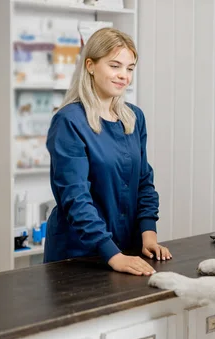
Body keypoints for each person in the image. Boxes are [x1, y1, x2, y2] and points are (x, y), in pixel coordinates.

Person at [43, 28, 171, 276]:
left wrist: (149, 235)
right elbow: (75, 198)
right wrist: (112, 254)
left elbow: (143, 181)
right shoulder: (69, 121)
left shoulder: (133, 118)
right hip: (79, 255)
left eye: (130, 68)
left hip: (127, 250)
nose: (124, 75)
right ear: (90, 65)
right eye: (115, 66)